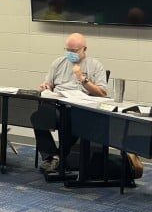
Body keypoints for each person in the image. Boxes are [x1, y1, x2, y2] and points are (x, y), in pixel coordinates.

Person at [33, 33, 108, 175]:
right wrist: (45, 86)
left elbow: (102, 93)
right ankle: (52, 156)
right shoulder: (58, 63)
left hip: (80, 109)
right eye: (68, 50)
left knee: (70, 120)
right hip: (58, 103)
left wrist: (82, 79)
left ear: (84, 49)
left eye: (74, 51)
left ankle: (60, 157)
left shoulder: (95, 65)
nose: (70, 54)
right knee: (38, 117)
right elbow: (49, 83)